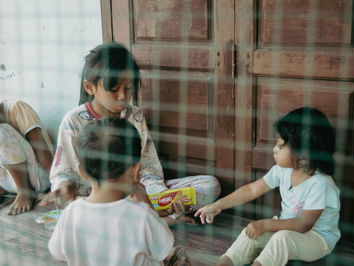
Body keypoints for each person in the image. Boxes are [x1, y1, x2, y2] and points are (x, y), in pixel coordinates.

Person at [39, 42, 220, 219]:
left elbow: (149, 169)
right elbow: (63, 173)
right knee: (73, 207)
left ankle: (151, 214)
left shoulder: (135, 116)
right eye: (114, 89)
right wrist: (63, 188)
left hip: (136, 193)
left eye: (129, 88)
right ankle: (155, 218)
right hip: (95, 198)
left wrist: (161, 197)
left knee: (211, 186)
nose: (123, 97)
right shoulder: (73, 121)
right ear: (89, 87)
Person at [195, 107, 341, 266]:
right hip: (287, 229)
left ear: (303, 156)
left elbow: (304, 224)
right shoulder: (283, 171)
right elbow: (252, 190)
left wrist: (266, 224)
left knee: (281, 238)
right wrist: (217, 205)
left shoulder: (320, 184)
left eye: (280, 145)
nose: (274, 149)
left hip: (316, 239)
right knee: (250, 232)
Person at [48, 117, 188, 265]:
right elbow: (163, 249)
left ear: (82, 172)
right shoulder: (142, 215)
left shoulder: (71, 212)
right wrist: (147, 205)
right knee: (178, 255)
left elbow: (59, 255)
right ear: (135, 170)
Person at [0, 99, 54, 215]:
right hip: (8, 183)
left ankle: (25, 192)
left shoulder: (17, 108)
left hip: (37, 179)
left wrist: (56, 185)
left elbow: (42, 151)